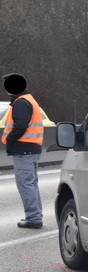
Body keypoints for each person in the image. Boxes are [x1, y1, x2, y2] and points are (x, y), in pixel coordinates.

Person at [2, 73, 44, 228]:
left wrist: (10, 140)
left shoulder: (21, 102)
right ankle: (36, 215)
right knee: (31, 183)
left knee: (25, 184)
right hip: (31, 148)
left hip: (23, 149)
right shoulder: (28, 100)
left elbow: (20, 125)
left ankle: (33, 218)